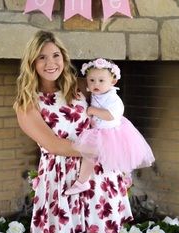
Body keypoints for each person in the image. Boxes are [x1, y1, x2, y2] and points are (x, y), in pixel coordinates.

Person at [13, 31, 133, 233]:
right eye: (42, 57)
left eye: (56, 55)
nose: (50, 62)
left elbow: (110, 108)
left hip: (99, 180)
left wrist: (118, 156)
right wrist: (91, 149)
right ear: (32, 62)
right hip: (61, 184)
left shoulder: (78, 87)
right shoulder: (27, 103)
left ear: (64, 58)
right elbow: (53, 144)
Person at [65, 58, 155, 195]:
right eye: (92, 80)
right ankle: (84, 181)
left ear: (112, 82)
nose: (96, 84)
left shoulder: (113, 99)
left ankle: (86, 181)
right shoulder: (97, 93)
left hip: (110, 133)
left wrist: (92, 111)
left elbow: (111, 115)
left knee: (100, 155)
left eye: (101, 81)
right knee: (90, 156)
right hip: (98, 130)